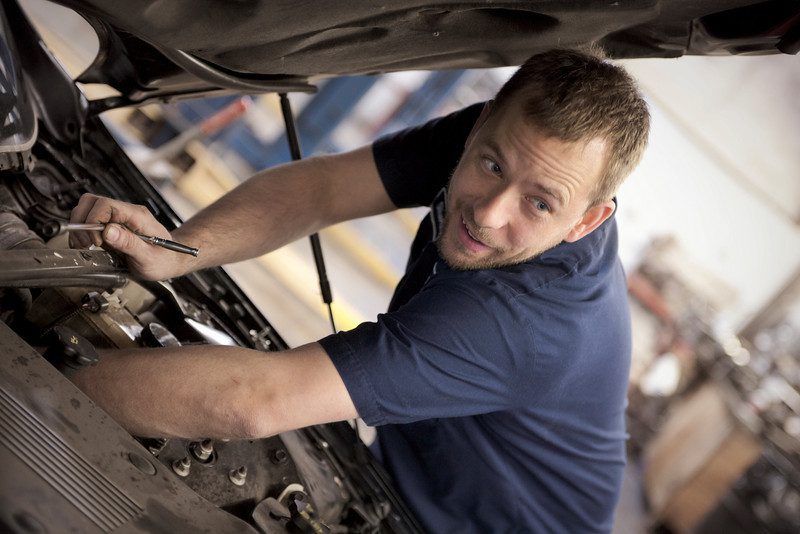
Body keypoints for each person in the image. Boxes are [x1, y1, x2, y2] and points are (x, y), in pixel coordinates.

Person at [69, 48, 650, 532]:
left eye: (539, 204)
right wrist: (177, 252)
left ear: (587, 222)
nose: (491, 213)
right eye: (492, 166)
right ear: (483, 121)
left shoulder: (522, 323)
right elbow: (323, 188)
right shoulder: (520, 148)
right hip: (410, 470)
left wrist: (47, 384)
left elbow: (251, 401)